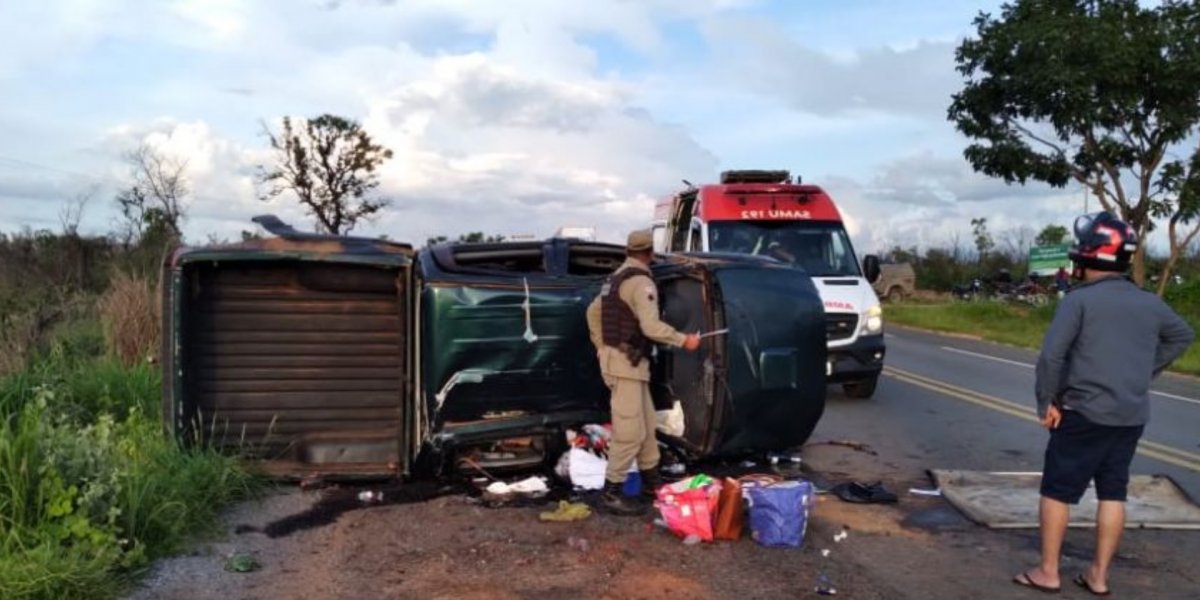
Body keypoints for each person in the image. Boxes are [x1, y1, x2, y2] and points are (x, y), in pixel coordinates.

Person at [1014, 212, 1194, 595]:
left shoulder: (1079, 302)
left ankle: (1048, 572)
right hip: (1129, 416)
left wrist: (1047, 400)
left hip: (1082, 412)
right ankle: (1098, 576)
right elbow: (1182, 335)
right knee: (1114, 491)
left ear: (1089, 255)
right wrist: (1145, 371)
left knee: (1057, 490)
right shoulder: (1149, 302)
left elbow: (1051, 358)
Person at [586, 230, 701, 516]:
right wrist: (684, 340)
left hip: (627, 365)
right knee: (629, 432)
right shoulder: (640, 282)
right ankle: (611, 493)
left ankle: (653, 486)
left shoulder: (614, 279)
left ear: (628, 251)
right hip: (626, 367)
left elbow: (592, 312)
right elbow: (650, 328)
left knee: (647, 426)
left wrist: (602, 346)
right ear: (649, 253)